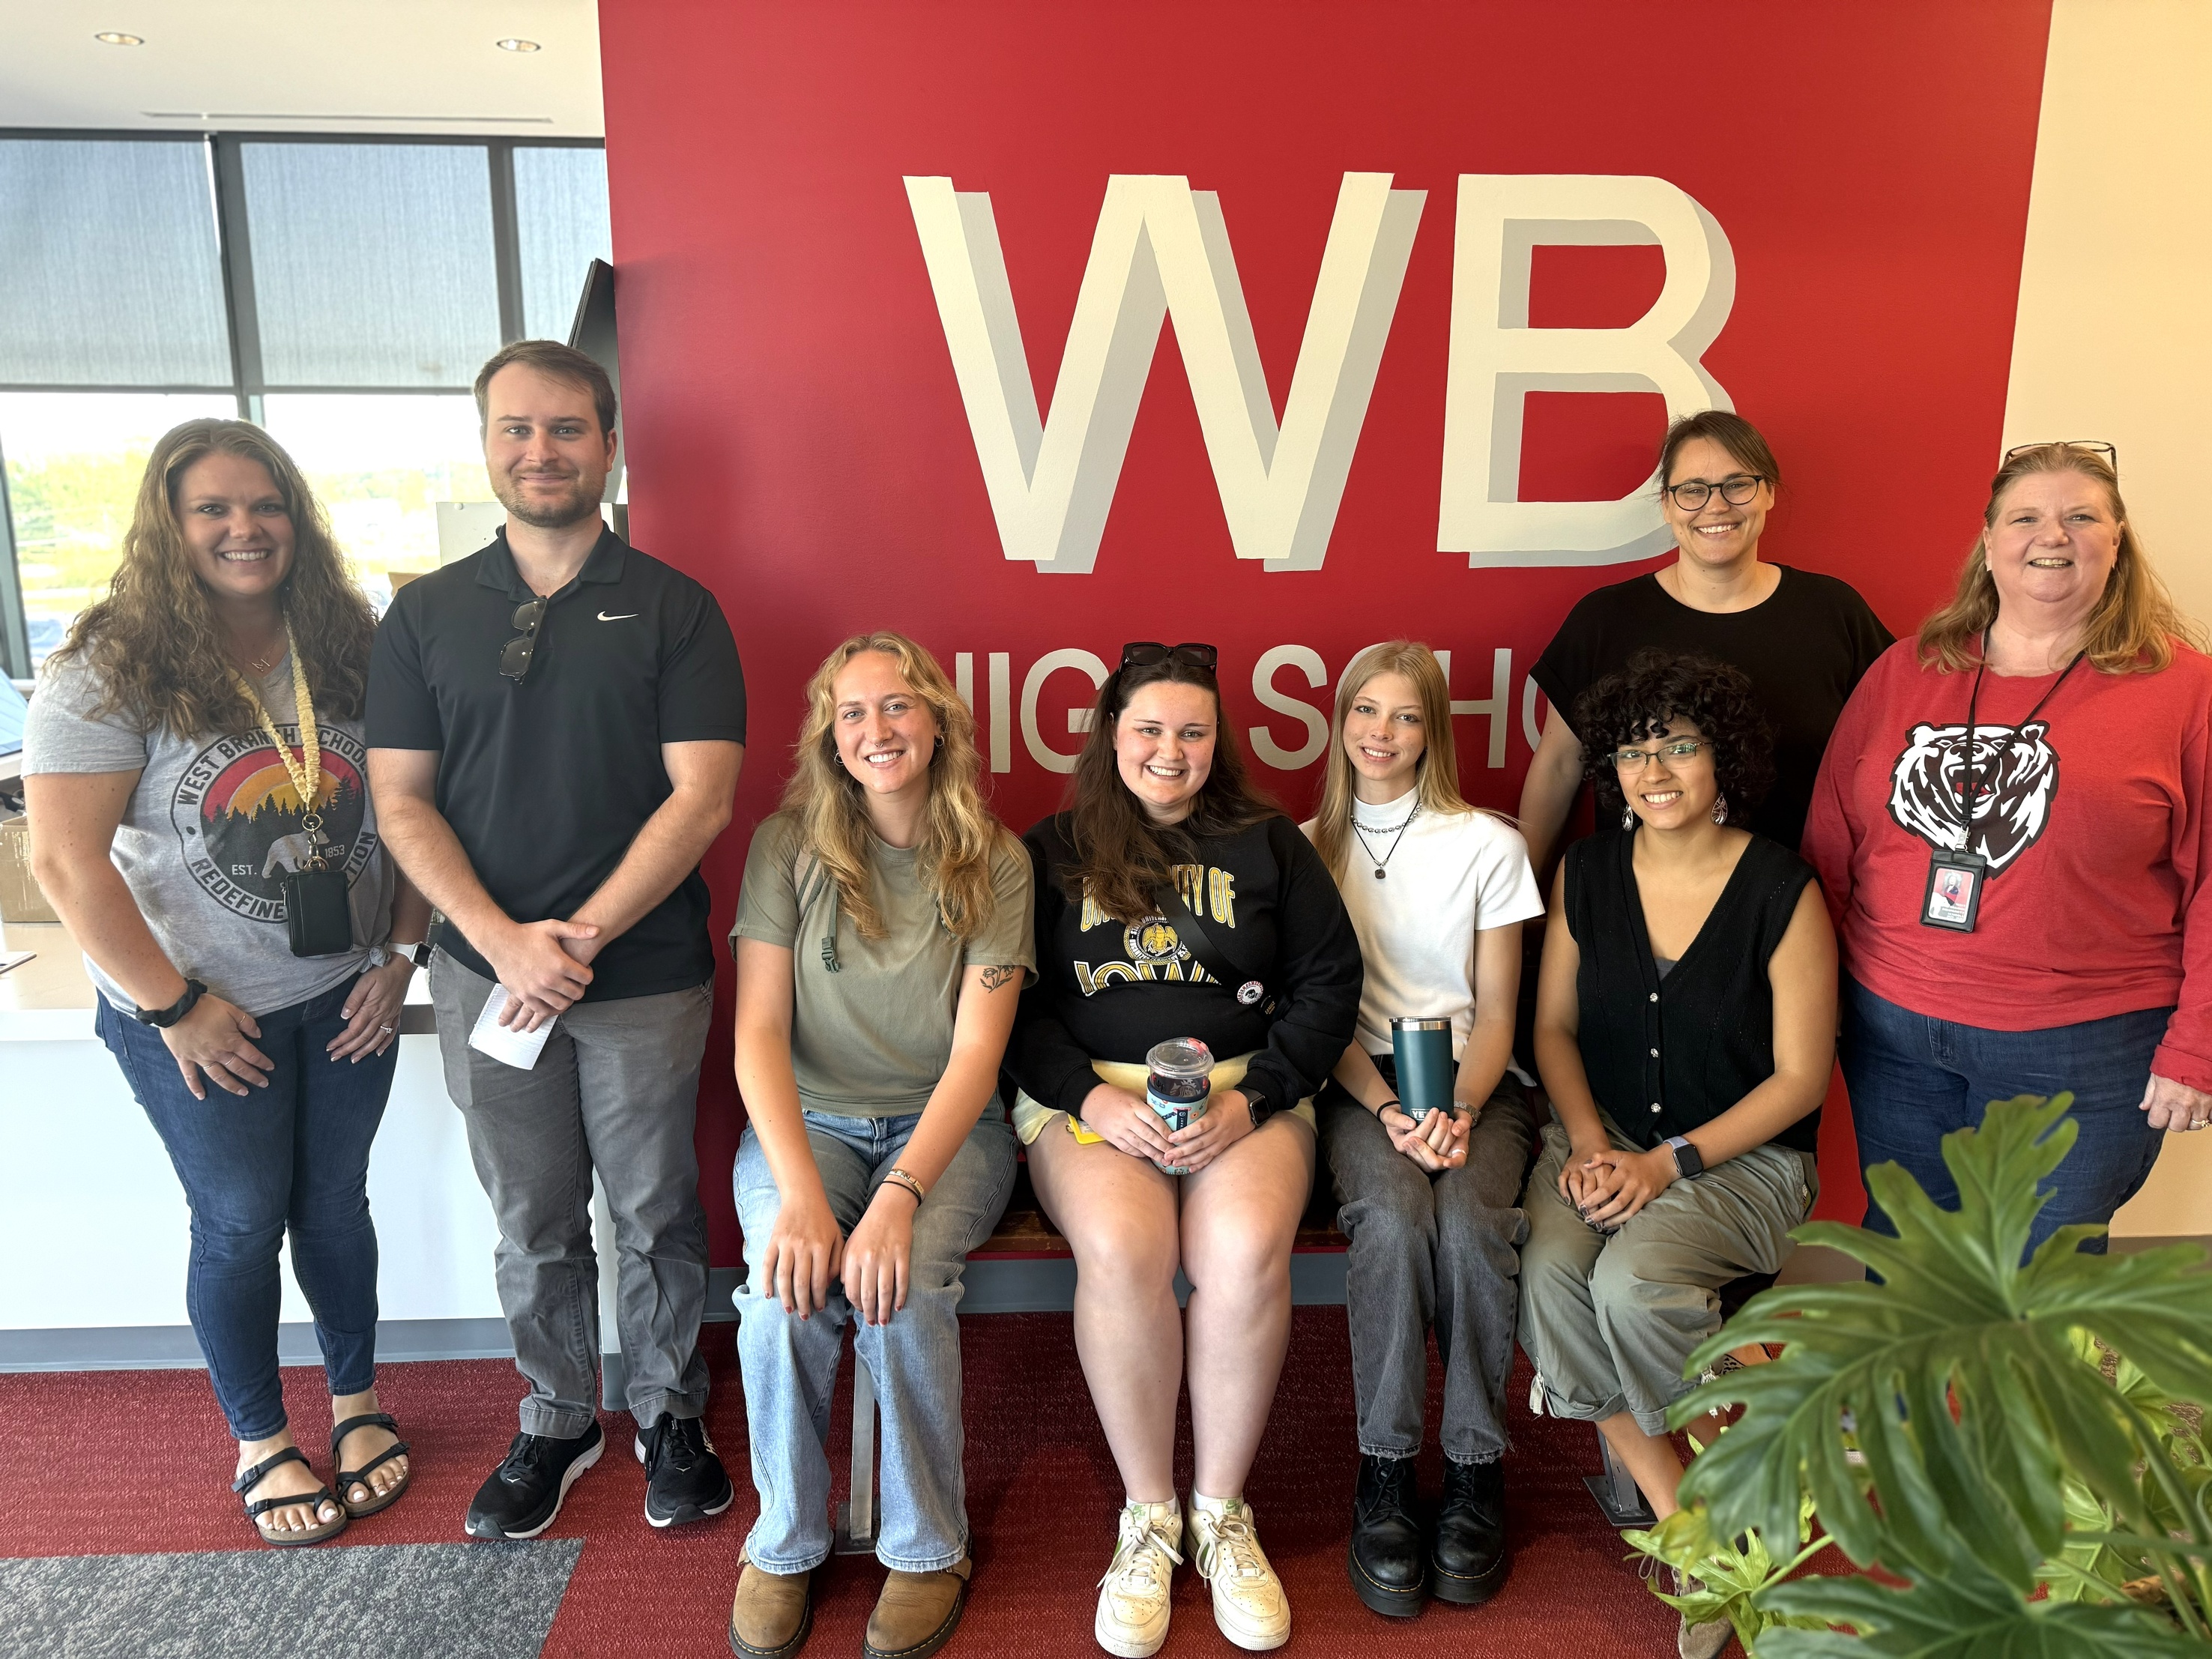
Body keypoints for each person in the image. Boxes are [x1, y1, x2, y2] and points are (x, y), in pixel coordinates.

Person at [365, 340, 746, 1540]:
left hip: (644, 976)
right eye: (517, 429)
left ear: (610, 446)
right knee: (531, 1217)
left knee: (654, 1208)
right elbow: (401, 803)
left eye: (568, 428)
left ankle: (669, 1411)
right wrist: (501, 941)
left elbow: (702, 798)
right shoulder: (423, 614)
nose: (542, 451)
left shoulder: (677, 608)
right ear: (486, 446)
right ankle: (559, 1415)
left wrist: (571, 939)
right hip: (488, 978)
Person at [25, 419, 427, 1547]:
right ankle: (262, 1439)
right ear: (169, 525)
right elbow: (63, 861)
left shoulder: (348, 643)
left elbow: (412, 811)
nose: (244, 528)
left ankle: (356, 1404)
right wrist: (174, 1008)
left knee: (335, 1205)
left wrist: (399, 955)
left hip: (346, 993)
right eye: (213, 508)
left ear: (298, 520)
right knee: (242, 1221)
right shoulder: (108, 667)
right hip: (199, 1011)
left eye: (266, 505)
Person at [1006, 642, 1362, 1658]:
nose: (1172, 751)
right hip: (1091, 1103)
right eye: (1151, 729)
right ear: (1111, 735)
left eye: (1193, 731)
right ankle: (1149, 1517)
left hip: (1242, 1095)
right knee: (1126, 1251)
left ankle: (1221, 1513)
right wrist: (1086, 1097)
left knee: (1243, 1250)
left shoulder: (1269, 844)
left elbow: (1329, 984)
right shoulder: (1050, 849)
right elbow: (1011, 1002)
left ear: (1219, 740)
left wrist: (1257, 1099)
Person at [1804, 442, 2212, 1253]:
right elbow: (1831, 844)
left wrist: (2196, 1046)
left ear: (2118, 541)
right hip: (1894, 1031)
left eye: (2080, 516)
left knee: (2038, 1284)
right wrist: (1818, 1003)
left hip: (2084, 1045)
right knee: (1908, 1262)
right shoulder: (1906, 671)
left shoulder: (2184, 690)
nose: (2051, 536)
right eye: (2025, 517)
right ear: (1989, 543)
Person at [1520, 652, 1833, 1659]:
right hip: (1602, 1136)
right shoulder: (1587, 873)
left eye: (1679, 748)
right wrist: (1589, 1140)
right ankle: (1694, 1531)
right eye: (1632, 752)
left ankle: (1744, 1486)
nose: (1653, 772)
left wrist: (1668, 1164)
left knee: (1634, 1284)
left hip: (1746, 1161)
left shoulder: (1782, 886)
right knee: (1551, 1273)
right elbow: (1553, 1029)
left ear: (1723, 760)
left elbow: (1801, 1079)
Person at [725, 632, 1031, 1659]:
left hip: (947, 1129)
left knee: (901, 1285)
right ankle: (784, 1542)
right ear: (831, 737)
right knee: (783, 1286)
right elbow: (759, 1032)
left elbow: (977, 1057)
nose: (877, 729)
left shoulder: (996, 859)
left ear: (937, 720)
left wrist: (899, 1196)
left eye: (897, 705)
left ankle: (926, 1545)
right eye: (852, 713)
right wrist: (802, 1194)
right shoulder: (787, 846)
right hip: (807, 1121)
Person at [1300, 641, 1544, 1617]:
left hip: (1477, 1084)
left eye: (1405, 715)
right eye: (1366, 710)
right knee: (1396, 1221)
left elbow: (1500, 1010)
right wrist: (1392, 1111)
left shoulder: (1489, 843)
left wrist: (1460, 1109)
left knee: (1473, 1224)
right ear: (1341, 721)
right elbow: (1314, 1018)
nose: (1382, 732)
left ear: (1432, 729)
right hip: (1362, 1088)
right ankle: (1388, 1470)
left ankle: (1477, 1468)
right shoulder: (1303, 848)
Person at [1517, 411, 1891, 874]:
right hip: (1637, 899)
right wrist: (1521, 895)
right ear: (1667, 503)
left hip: (1801, 897)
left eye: (1738, 484)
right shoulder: (1605, 620)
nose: (1716, 507)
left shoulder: (1834, 612)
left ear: (1769, 492)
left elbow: (1885, 762)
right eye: (1693, 490)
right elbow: (1558, 766)